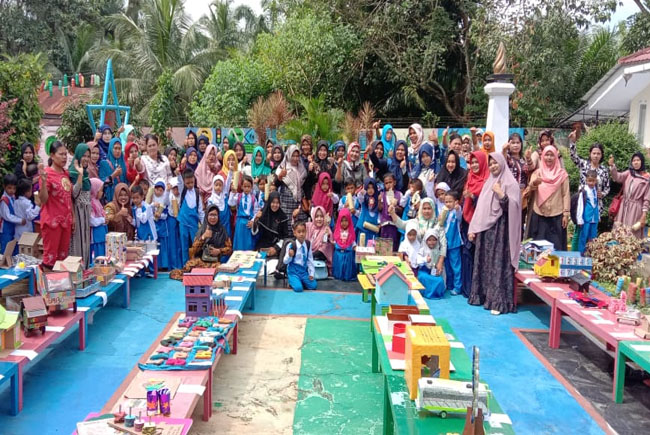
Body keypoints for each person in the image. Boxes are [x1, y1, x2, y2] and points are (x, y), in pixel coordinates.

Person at [468, 153, 521, 315]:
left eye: (495, 163)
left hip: (501, 232)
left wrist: (501, 194)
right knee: (485, 263)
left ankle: (498, 301)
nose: (493, 166)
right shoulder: (488, 183)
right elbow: (481, 209)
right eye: (490, 164)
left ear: (502, 163)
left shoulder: (511, 184)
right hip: (486, 232)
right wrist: (474, 228)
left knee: (498, 264)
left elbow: (514, 208)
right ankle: (483, 296)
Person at [40, 141, 75, 268]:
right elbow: (43, 200)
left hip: (66, 221)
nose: (64, 157)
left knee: (63, 257)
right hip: (52, 222)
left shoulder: (65, 173)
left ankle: (60, 284)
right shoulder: (47, 174)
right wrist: (43, 183)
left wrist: (73, 216)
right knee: (50, 256)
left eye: (66, 154)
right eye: (61, 154)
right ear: (52, 155)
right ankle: (46, 286)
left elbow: (68, 197)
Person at [528, 147, 570, 250]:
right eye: (547, 155)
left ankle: (556, 266)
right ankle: (538, 266)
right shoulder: (538, 173)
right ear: (542, 157)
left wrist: (566, 213)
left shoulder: (562, 174)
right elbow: (530, 187)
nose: (549, 158)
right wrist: (535, 183)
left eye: (552, 155)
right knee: (538, 247)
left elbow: (566, 194)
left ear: (556, 157)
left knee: (557, 246)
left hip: (557, 215)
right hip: (539, 214)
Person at [461, 151, 489, 297]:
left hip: (481, 224)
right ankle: (467, 289)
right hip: (467, 222)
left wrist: (473, 197)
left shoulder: (487, 181)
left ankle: (478, 291)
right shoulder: (469, 178)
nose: (474, 165)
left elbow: (487, 204)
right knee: (467, 255)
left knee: (479, 257)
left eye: (477, 162)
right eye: (472, 162)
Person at [609, 152, 650, 238]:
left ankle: (630, 250)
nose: (635, 162)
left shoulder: (646, 178)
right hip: (623, 206)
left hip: (636, 208)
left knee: (632, 232)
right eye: (634, 160)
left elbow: (647, 198)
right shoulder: (629, 173)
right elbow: (617, 177)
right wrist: (612, 166)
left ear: (642, 161)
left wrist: (644, 214)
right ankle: (618, 250)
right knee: (619, 230)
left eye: (638, 160)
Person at [68, 143, 92, 267]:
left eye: (88, 156)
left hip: (85, 214)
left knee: (85, 244)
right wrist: (80, 174)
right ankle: (76, 275)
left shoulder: (86, 174)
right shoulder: (72, 172)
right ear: (78, 156)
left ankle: (85, 274)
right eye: (83, 156)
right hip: (77, 214)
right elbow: (74, 194)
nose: (86, 159)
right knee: (78, 244)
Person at [276, 144, 308, 230]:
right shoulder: (282, 168)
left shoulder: (302, 169)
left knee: (300, 227)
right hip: (286, 203)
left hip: (298, 203)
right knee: (287, 226)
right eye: (293, 155)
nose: (295, 158)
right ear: (288, 155)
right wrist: (280, 177)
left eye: (297, 156)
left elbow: (304, 186)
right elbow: (275, 184)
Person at [178, 169, 205, 265]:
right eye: (187, 183)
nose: (190, 185)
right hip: (183, 222)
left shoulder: (197, 193)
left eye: (192, 182)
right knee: (184, 245)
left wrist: (203, 224)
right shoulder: (183, 191)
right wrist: (178, 173)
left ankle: (196, 263)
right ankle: (185, 264)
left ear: (194, 180)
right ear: (184, 182)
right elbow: (179, 182)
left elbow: (201, 211)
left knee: (196, 245)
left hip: (194, 223)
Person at [438, 191, 463, 296]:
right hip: (445, 244)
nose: (448, 204)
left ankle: (458, 287)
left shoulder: (457, 211)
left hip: (455, 243)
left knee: (456, 266)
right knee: (447, 266)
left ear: (456, 202)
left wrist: (457, 209)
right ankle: (449, 284)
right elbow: (440, 223)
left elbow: (460, 217)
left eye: (450, 202)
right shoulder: (445, 211)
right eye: (446, 202)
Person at [253, 191, 289, 257]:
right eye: (273, 202)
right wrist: (256, 220)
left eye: (277, 203)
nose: (275, 205)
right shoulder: (263, 214)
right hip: (262, 245)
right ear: (269, 202)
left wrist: (276, 248)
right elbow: (255, 233)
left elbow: (285, 237)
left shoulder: (283, 217)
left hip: (276, 247)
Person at [284, 221, 317, 292]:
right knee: (298, 289)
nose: (301, 234)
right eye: (299, 232)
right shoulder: (291, 245)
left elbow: (310, 260)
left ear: (306, 232)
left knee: (313, 285)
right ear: (294, 233)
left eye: (303, 231)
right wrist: (289, 256)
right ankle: (291, 280)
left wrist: (311, 273)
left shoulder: (308, 244)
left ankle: (300, 281)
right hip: (293, 271)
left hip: (303, 271)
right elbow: (285, 261)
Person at [416, 227, 447, 299]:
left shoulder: (438, 251)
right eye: (429, 240)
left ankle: (435, 293)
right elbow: (418, 260)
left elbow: (440, 267)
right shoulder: (422, 249)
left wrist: (438, 270)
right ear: (426, 240)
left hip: (434, 271)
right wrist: (425, 260)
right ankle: (427, 293)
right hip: (424, 270)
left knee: (439, 281)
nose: (431, 242)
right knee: (422, 277)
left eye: (434, 240)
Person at [229, 175, 256, 250]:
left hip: (248, 223)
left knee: (248, 243)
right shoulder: (238, 196)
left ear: (251, 187)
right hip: (240, 223)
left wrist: (253, 221)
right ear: (241, 187)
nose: (247, 189)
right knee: (239, 242)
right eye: (245, 186)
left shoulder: (253, 198)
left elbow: (256, 211)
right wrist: (232, 193)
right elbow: (231, 203)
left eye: (249, 186)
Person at [575, 170, 600, 253]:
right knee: (583, 236)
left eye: (593, 181)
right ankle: (581, 253)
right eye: (589, 181)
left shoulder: (596, 190)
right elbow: (580, 206)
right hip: (586, 218)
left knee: (593, 237)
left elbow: (596, 203)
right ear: (586, 180)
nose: (591, 183)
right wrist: (580, 219)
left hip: (594, 218)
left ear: (596, 181)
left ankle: (591, 253)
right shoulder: (584, 191)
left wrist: (598, 216)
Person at [306, 206, 333, 273]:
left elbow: (325, 248)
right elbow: (298, 229)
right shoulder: (309, 226)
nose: (319, 219)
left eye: (321, 216)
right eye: (317, 216)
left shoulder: (326, 229)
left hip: (320, 256)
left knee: (318, 253)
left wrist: (327, 234)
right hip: (308, 253)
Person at [99, 138, 127, 202]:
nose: (117, 151)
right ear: (111, 149)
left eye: (119, 148)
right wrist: (113, 175)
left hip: (122, 199)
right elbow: (101, 183)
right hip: (110, 200)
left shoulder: (123, 163)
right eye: (115, 148)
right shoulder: (104, 163)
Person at [332, 208, 357, 281]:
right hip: (339, 255)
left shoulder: (351, 231)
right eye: (342, 221)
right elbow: (334, 241)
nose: (344, 223)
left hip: (348, 255)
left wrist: (355, 247)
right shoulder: (337, 231)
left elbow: (353, 241)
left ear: (349, 220)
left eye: (346, 220)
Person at [0, 174, 22, 253]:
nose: (12, 190)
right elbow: (7, 216)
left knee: (13, 245)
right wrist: (20, 220)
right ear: (4, 186)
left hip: (13, 226)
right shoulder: (4, 200)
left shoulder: (13, 197)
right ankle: (2, 263)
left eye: (14, 188)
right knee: (6, 247)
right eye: (9, 188)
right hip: (5, 228)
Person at [379, 173, 401, 250]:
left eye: (390, 182)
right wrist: (379, 200)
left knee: (393, 245)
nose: (388, 185)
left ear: (394, 182)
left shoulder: (399, 194)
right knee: (384, 246)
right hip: (384, 224)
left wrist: (395, 206)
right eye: (386, 183)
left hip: (394, 224)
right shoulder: (382, 194)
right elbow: (380, 209)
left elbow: (401, 209)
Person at [151, 181, 170, 269]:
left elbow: (166, 215)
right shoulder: (151, 200)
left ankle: (164, 265)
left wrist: (160, 215)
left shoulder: (164, 201)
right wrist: (152, 206)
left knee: (163, 245)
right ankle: (156, 265)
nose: (158, 192)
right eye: (157, 189)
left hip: (162, 225)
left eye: (161, 190)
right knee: (155, 245)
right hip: (154, 225)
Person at [356, 178, 380, 244]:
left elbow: (379, 214)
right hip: (363, 231)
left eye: (372, 188)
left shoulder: (378, 200)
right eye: (368, 188)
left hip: (373, 231)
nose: (370, 190)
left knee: (372, 251)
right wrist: (361, 193)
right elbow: (360, 198)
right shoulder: (364, 199)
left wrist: (379, 224)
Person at [207, 174, 232, 238]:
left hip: (226, 224)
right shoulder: (211, 200)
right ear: (213, 186)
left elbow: (228, 182)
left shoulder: (224, 196)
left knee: (226, 241)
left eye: (220, 185)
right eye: (216, 185)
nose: (218, 187)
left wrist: (230, 171)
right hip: (216, 225)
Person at [89, 178, 107, 262]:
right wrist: (103, 220)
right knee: (97, 256)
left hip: (101, 234)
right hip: (95, 236)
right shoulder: (91, 203)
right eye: (100, 190)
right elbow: (91, 221)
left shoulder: (97, 202)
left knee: (102, 255)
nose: (102, 193)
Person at [166, 178, 182, 269]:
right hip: (171, 218)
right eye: (174, 189)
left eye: (177, 188)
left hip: (180, 219)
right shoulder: (169, 196)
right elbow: (165, 202)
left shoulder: (183, 195)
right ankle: (172, 265)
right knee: (172, 242)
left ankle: (180, 265)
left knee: (180, 242)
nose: (176, 191)